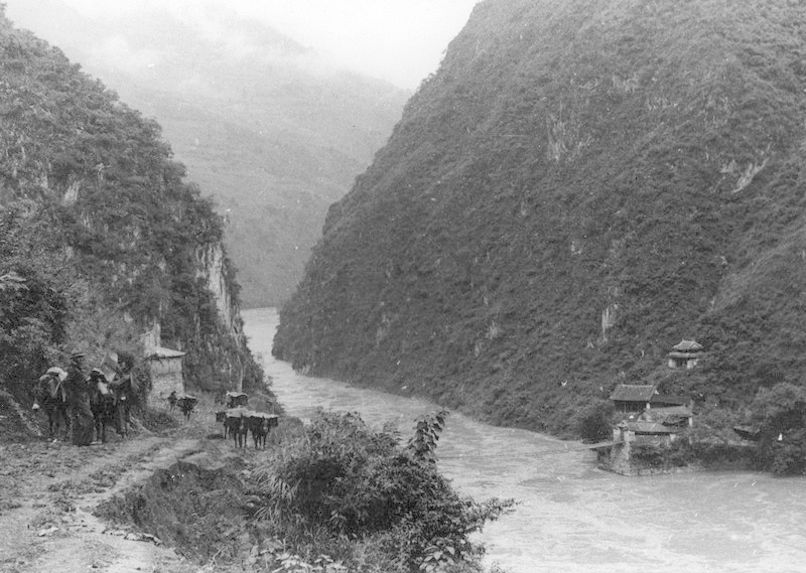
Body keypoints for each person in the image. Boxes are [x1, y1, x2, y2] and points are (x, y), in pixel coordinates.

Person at [64, 351, 94, 446]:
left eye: (82, 358)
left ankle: (77, 441)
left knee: (76, 419)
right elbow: (66, 382)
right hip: (77, 397)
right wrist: (73, 392)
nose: (82, 360)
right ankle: (86, 441)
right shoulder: (73, 370)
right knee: (89, 417)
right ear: (75, 359)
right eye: (79, 358)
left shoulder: (76, 369)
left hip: (78, 396)